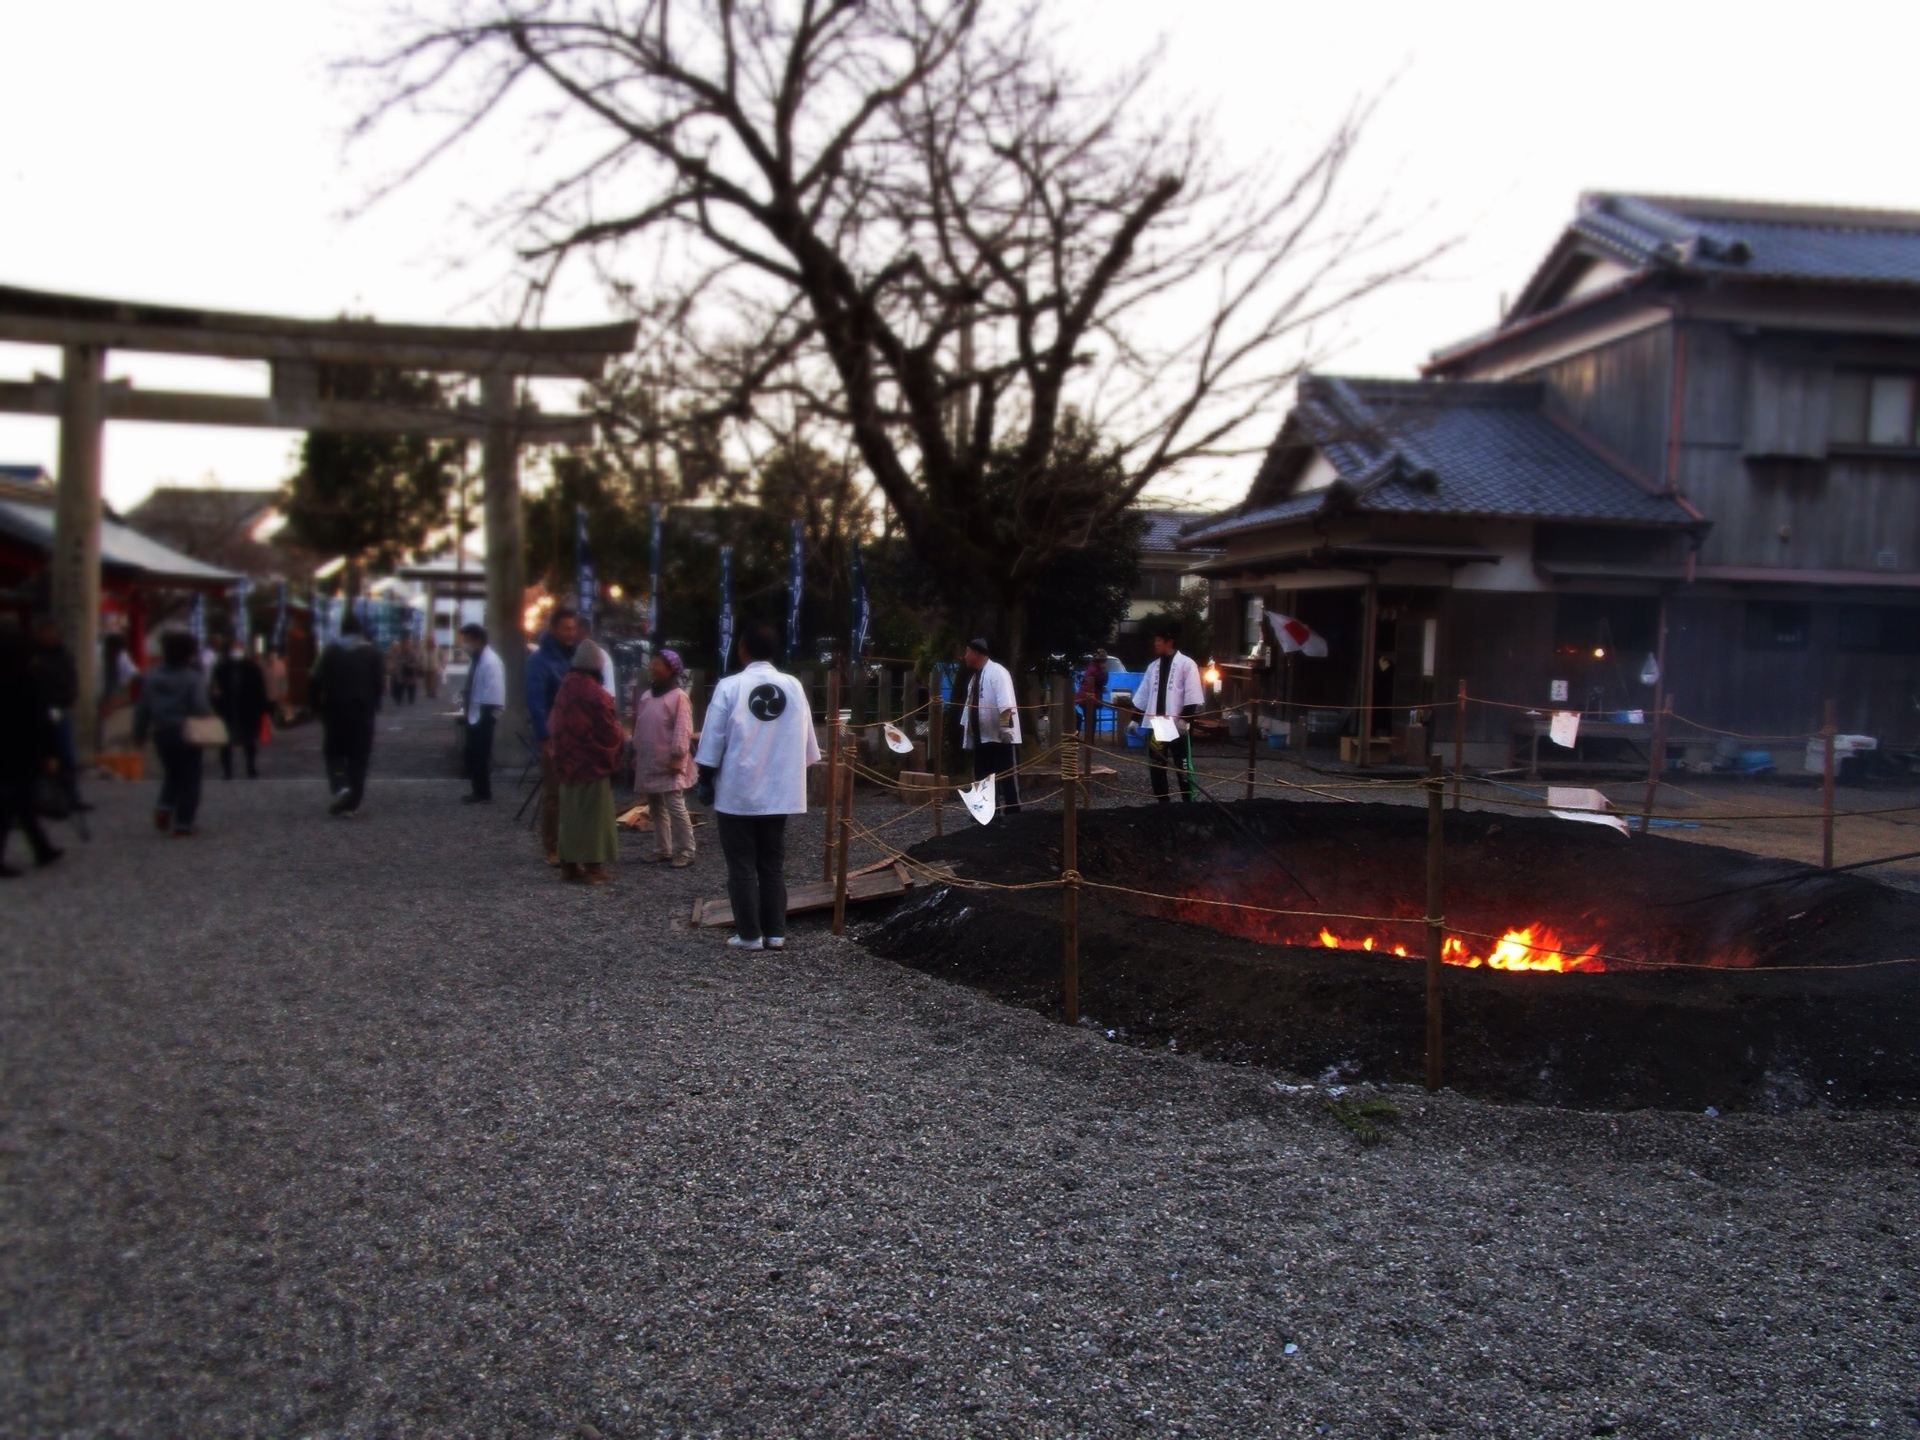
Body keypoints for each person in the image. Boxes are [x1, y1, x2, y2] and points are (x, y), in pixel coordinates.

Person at [695, 621, 820, 950]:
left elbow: (712, 741)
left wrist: (705, 779)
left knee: (741, 864)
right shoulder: (793, 686)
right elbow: (807, 746)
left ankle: (749, 934)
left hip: (738, 790)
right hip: (779, 792)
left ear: (742, 648)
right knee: (772, 862)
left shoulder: (729, 687)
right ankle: (776, 932)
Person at [548, 638, 623, 883]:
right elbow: (610, 730)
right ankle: (593, 868)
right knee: (594, 817)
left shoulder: (565, 688)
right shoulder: (596, 694)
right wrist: (618, 745)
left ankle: (568, 867)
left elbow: (556, 725)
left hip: (566, 762)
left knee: (569, 816)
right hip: (591, 763)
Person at [133, 629, 214, 837]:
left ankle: (164, 806)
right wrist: (210, 716)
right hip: (186, 731)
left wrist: (139, 732)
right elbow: (199, 706)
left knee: (172, 772)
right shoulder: (191, 677)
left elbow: (143, 706)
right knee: (190, 777)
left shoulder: (151, 677)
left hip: (161, 731)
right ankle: (183, 823)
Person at [0, 626, 62, 875]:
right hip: (22, 748)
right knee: (10, 803)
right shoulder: (25, 679)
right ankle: (40, 848)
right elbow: (38, 720)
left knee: (20, 802)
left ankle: (42, 848)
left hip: (8, 747)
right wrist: (49, 752)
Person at [310, 610, 384, 816]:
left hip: (335, 710)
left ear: (341, 629)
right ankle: (353, 801)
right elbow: (379, 684)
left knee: (334, 752)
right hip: (363, 712)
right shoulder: (373, 653)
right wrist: (375, 703)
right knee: (359, 756)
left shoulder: (330, 651)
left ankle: (341, 784)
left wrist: (315, 706)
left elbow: (314, 679)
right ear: (360, 631)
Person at [526, 605, 581, 866]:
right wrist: (544, 737)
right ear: (553, 629)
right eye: (565, 629)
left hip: (576, 733)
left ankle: (572, 842)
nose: (570, 633)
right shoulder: (540, 660)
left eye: (573, 628)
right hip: (554, 733)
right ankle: (551, 847)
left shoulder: (575, 657)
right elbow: (535, 701)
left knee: (576, 791)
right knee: (553, 793)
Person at [631, 647, 696, 867]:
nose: (652, 667)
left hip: (670, 761)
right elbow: (640, 726)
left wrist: (679, 755)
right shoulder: (647, 696)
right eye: (652, 663)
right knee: (656, 806)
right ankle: (662, 848)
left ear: (670, 669)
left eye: (657, 663)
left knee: (675, 806)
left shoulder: (679, 697)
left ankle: (686, 850)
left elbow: (683, 729)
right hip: (649, 759)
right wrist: (637, 751)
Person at [1127, 620, 1204, 803]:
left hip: (1177, 723)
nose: (1155, 644)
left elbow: (1192, 693)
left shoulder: (1187, 664)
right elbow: (1144, 695)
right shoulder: (1153, 667)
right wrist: (1135, 719)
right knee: (1157, 765)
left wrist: (1185, 720)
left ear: (1169, 642)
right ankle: (1163, 803)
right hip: (1158, 723)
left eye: (1159, 640)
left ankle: (1188, 802)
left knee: (1182, 765)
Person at [959, 637, 1022, 814]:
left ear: (976, 653)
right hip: (981, 736)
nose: (965, 656)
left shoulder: (998, 672)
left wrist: (1005, 728)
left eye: (967, 652)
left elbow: (1006, 702)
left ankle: (1013, 812)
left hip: (1000, 737)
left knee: (1006, 775)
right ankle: (988, 812)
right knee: (983, 776)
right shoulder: (975, 678)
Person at [30, 616, 85, 811]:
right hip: (35, 709)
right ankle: (35, 798)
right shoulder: (31, 656)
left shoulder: (64, 655)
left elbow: (72, 679)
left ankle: (70, 795)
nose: (48, 635)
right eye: (44, 632)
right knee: (35, 754)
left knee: (66, 753)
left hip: (59, 707)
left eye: (51, 631)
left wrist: (69, 697)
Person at [210, 636, 270, 780]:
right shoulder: (221, 668)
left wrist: (262, 707)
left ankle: (251, 766)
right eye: (233, 648)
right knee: (225, 742)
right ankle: (227, 770)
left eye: (238, 647)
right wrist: (216, 705)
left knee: (249, 740)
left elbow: (260, 689)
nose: (235, 650)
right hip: (227, 709)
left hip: (248, 709)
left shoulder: (252, 668)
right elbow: (214, 689)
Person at [459, 623, 505, 802]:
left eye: (468, 640)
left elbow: (494, 692)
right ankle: (478, 789)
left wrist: (484, 717)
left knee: (480, 753)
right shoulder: (478, 658)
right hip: (476, 711)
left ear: (477, 640)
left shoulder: (490, 661)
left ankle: (482, 792)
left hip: (484, 714)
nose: (465, 644)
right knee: (474, 752)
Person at [1074, 648, 1110, 742]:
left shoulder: (1091, 668)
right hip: (1088, 697)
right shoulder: (1096, 670)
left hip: (1084, 696)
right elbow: (1103, 681)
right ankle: (1089, 740)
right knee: (1091, 720)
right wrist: (1105, 671)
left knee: (1089, 719)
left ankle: (1087, 739)